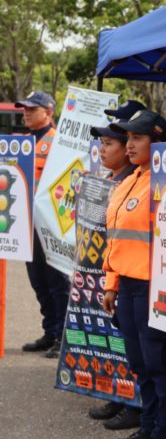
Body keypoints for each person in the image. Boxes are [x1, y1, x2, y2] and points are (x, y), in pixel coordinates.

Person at [101, 109, 166, 439]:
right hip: (128, 284)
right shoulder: (130, 180)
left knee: (159, 364)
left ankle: (165, 434)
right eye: (127, 138)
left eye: (137, 138)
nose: (129, 145)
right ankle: (149, 425)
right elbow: (116, 238)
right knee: (139, 363)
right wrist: (111, 283)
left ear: (157, 142)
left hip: (154, 286)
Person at [87, 99, 146, 427]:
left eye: (110, 142)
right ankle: (123, 396)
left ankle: (139, 408)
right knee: (123, 345)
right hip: (117, 277)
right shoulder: (119, 179)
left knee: (145, 355)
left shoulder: (138, 181)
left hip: (138, 280)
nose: (102, 149)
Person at [17, 90, 68, 359]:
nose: (25, 112)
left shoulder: (59, 143)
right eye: (24, 108)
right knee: (38, 280)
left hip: (52, 225)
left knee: (57, 281)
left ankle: (63, 335)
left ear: (48, 112)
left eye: (31, 109)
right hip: (26, 225)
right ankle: (50, 331)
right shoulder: (22, 142)